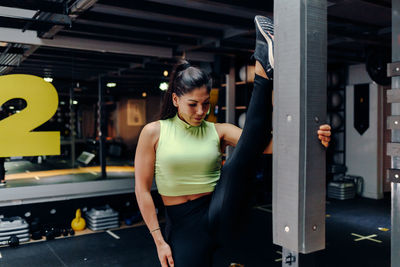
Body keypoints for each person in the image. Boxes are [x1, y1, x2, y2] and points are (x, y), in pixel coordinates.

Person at [135, 15, 331, 267]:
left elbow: (269, 146)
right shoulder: (153, 132)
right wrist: (159, 240)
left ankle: (263, 68)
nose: (200, 111)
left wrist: (316, 137)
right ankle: (265, 66)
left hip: (221, 209)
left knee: (238, 160)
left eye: (206, 104)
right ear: (175, 100)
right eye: (192, 104)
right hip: (184, 227)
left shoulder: (219, 131)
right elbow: (142, 190)